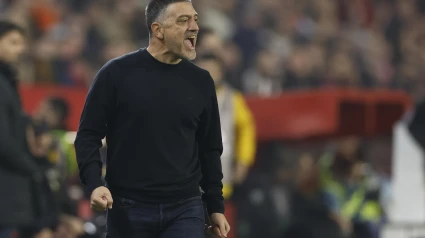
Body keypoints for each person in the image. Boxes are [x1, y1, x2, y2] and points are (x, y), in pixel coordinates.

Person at [74, 0, 230, 237]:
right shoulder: (115, 74)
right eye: (183, 20)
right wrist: (95, 184)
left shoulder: (202, 82)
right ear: (158, 30)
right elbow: (88, 135)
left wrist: (215, 206)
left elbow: (210, 149)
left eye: (195, 19)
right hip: (127, 209)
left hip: (185, 208)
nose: (195, 27)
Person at [0, 20, 47, 238]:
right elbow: (4, 141)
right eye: (13, 42)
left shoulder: (7, 82)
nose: (21, 49)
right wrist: (31, 167)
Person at [195, 53, 256, 200]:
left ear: (221, 72)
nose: (208, 74)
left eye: (212, 70)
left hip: (224, 177)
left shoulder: (233, 99)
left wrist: (243, 162)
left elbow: (246, 131)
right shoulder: (186, 97)